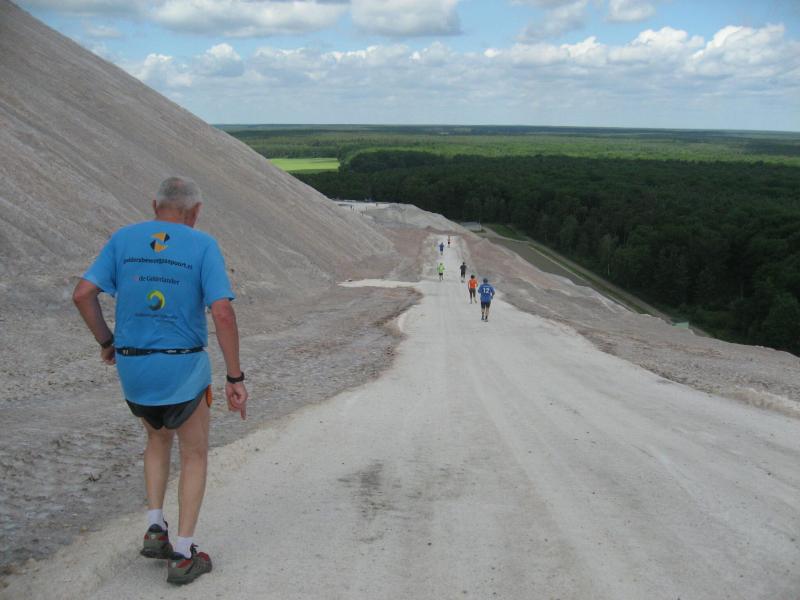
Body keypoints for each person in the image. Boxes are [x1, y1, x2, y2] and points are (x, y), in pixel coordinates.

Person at [72, 176, 248, 586]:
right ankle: (184, 554)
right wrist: (234, 376)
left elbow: (82, 294)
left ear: (155, 205)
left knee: (155, 439)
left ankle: (155, 526)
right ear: (195, 212)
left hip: (134, 366)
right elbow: (222, 313)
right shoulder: (202, 244)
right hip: (182, 365)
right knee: (194, 454)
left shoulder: (123, 239)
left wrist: (107, 342)